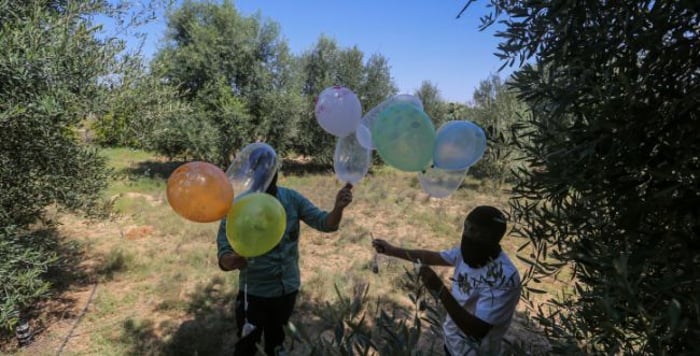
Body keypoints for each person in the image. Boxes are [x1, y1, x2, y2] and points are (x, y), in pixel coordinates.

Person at [217, 171, 353, 356]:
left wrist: (338, 208)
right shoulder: (238, 207)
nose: (267, 179)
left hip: (286, 291)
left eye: (270, 172)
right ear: (252, 174)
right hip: (254, 293)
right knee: (246, 346)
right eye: (262, 172)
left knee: (277, 343)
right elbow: (224, 257)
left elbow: (325, 223)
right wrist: (232, 261)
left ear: (276, 173)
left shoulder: (291, 198)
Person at [372, 205, 520, 355]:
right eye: (466, 228)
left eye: (474, 231)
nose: (466, 235)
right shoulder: (465, 253)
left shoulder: (504, 278)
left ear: (491, 237)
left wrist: (440, 289)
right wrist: (391, 250)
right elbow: (430, 257)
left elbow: (477, 330)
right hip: (452, 344)